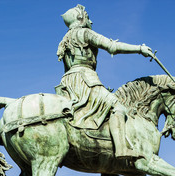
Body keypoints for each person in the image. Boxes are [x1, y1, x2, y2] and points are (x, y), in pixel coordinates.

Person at [56, 4, 153, 160]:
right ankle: (121, 149)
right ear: (80, 18)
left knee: (100, 115)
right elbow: (112, 46)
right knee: (118, 108)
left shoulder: (65, 39)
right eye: (87, 17)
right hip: (86, 80)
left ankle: (107, 168)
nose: (91, 21)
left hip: (68, 83)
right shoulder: (85, 33)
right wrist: (139, 49)